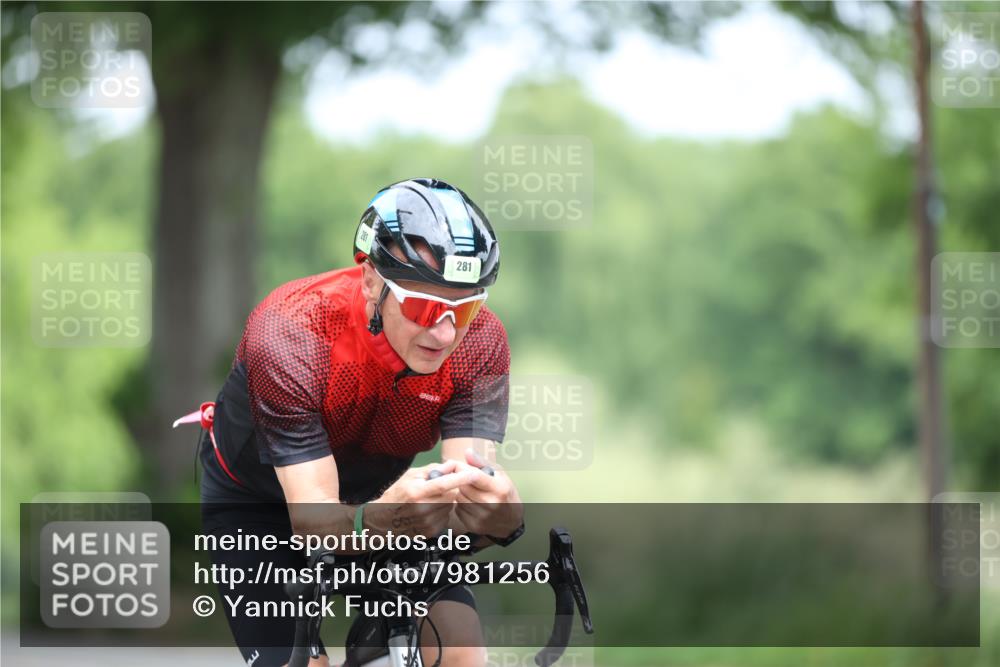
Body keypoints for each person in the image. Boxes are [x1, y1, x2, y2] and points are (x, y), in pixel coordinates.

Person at [195, 178, 524, 667]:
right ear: (371, 280)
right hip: (261, 506)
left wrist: (502, 519)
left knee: (459, 645)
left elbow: (464, 509)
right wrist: (378, 518)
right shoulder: (291, 331)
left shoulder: (479, 342)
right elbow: (315, 524)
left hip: (378, 504)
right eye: (426, 305)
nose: (445, 331)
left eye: (466, 306)